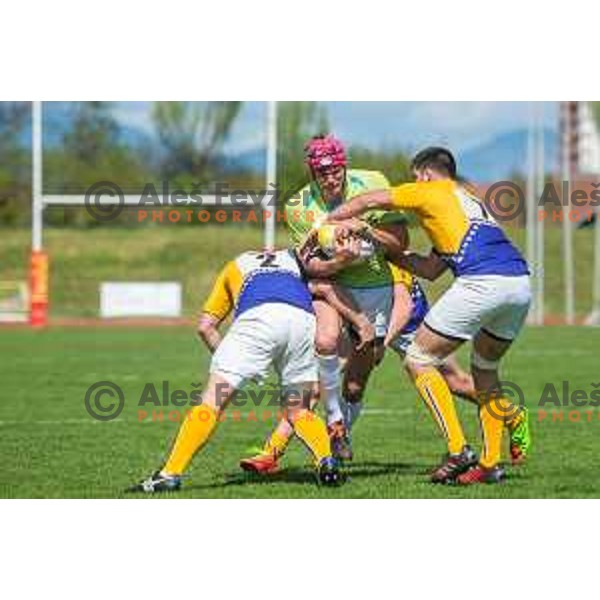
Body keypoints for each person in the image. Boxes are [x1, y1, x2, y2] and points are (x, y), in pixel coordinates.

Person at [324, 146, 532, 485]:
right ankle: (490, 464)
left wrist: (330, 221)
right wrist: (382, 250)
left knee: (418, 359)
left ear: (423, 174)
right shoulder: (466, 204)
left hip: (482, 280)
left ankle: (457, 450)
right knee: (485, 371)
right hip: (519, 284)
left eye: (414, 177)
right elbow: (430, 269)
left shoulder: (429, 189)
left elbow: (367, 201)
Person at [240, 134, 408, 470]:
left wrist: (364, 230)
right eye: (321, 173)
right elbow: (309, 265)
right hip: (329, 286)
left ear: (344, 167)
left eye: (335, 172)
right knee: (322, 350)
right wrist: (339, 262)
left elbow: (400, 243)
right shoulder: (299, 205)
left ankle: (340, 430)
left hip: (373, 287)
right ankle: (275, 451)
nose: (330, 179)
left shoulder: (373, 184)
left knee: (356, 386)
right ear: (312, 173)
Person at [130, 248, 344, 493]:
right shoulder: (294, 258)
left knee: (212, 402)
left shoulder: (234, 266)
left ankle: (169, 474)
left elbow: (206, 327)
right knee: (298, 410)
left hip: (258, 318)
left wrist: (232, 363)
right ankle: (325, 461)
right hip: (302, 320)